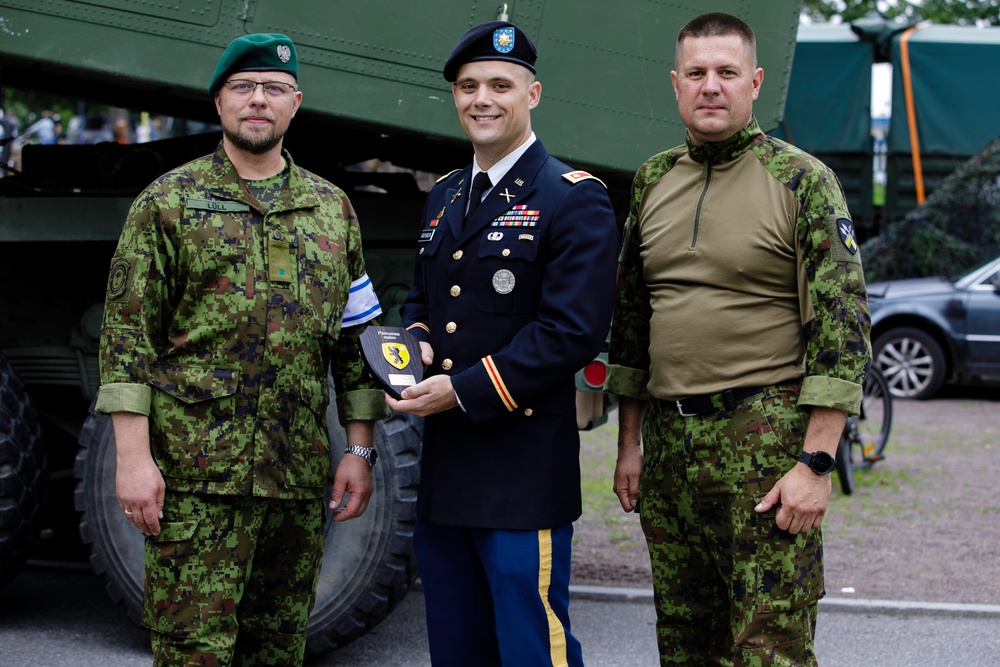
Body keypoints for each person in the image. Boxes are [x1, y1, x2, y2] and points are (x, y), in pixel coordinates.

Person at [95, 33, 388, 665]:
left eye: (274, 89)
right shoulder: (168, 202)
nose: (259, 100)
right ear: (220, 102)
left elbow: (356, 340)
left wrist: (359, 447)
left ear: (296, 103)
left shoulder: (332, 210)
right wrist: (132, 460)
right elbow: (126, 340)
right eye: (243, 87)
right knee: (193, 652)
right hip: (195, 485)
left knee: (277, 651)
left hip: (296, 483)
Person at [606, 12, 870, 666]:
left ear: (753, 81)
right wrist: (629, 443)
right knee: (685, 639)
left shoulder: (801, 178)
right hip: (670, 446)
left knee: (768, 645)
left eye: (727, 72)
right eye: (696, 73)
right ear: (675, 85)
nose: (711, 87)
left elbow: (842, 322)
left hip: (766, 438)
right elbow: (633, 319)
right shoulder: (652, 179)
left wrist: (815, 463)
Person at [387, 21, 619, 667]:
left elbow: (571, 332)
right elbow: (424, 304)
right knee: (457, 647)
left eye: (499, 85)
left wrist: (458, 389)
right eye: (467, 86)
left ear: (533, 93)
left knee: (530, 648)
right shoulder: (444, 196)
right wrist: (415, 343)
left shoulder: (574, 199)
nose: (481, 99)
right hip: (448, 470)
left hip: (522, 471)